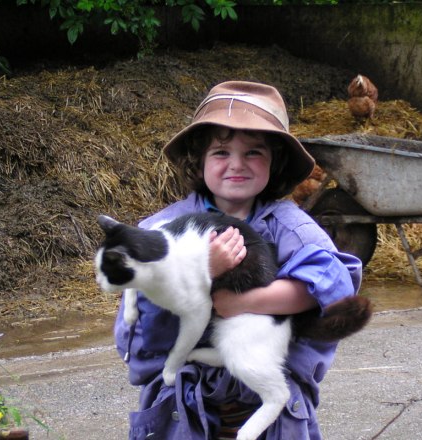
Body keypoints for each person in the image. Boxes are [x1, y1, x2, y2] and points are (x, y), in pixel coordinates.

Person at [113, 80, 362, 439]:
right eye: (221, 153)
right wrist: (202, 274)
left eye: (254, 153)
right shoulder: (160, 231)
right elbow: (135, 340)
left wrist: (244, 302)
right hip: (182, 411)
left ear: (274, 162)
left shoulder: (290, 228)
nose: (237, 165)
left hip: (271, 415)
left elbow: (336, 287)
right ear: (198, 160)